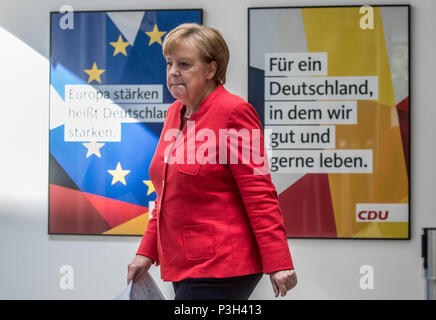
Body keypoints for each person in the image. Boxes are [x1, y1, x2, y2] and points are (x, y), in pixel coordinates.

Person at [127, 23, 297, 300]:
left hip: (224, 262)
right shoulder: (175, 112)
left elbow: (260, 193)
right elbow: (165, 194)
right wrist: (146, 251)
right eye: (169, 63)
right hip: (183, 260)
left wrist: (279, 262)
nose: (172, 72)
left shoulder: (236, 112)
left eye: (184, 64)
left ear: (211, 70)